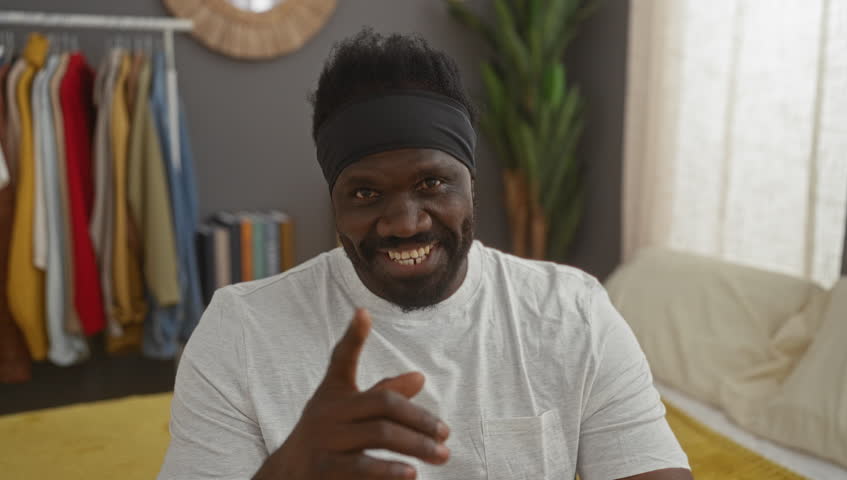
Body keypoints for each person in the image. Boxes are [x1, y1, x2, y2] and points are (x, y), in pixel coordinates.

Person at [158, 29, 692, 480]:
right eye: (365, 193)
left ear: (472, 186)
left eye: (433, 183)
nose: (405, 223)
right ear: (334, 203)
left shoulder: (573, 313)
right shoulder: (241, 331)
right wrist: (289, 468)